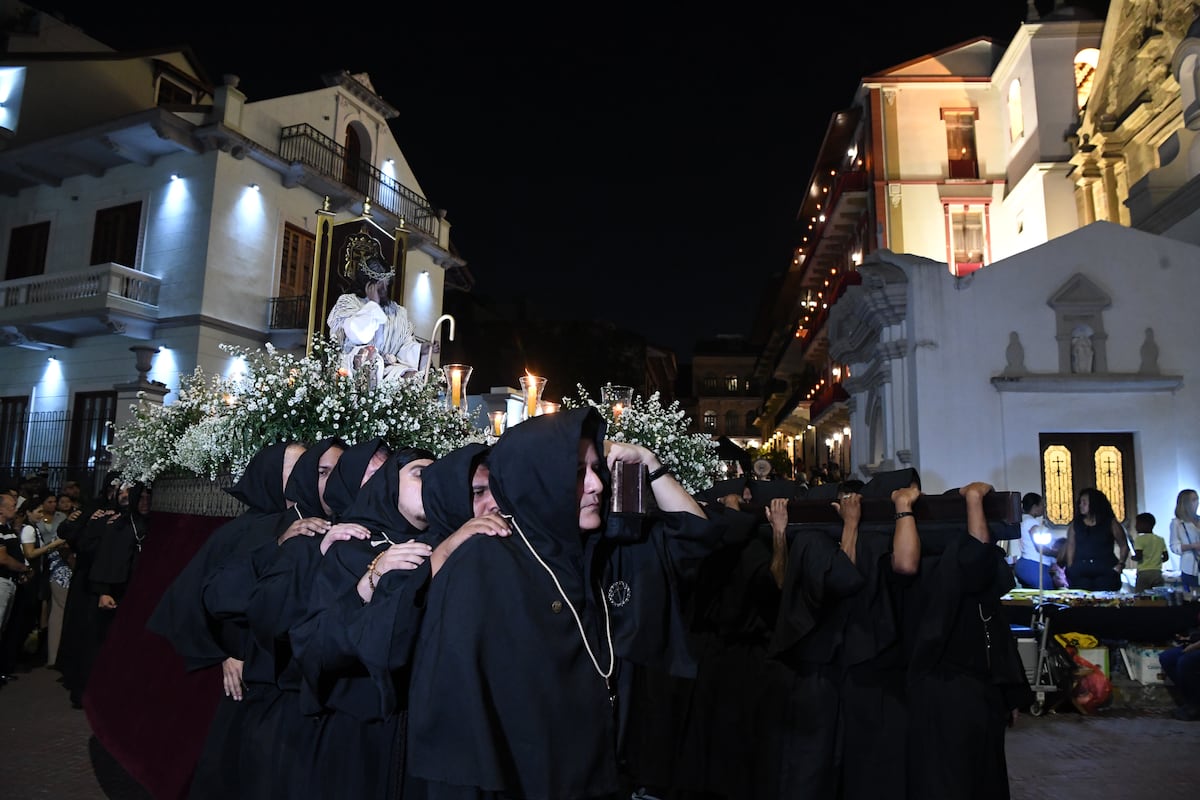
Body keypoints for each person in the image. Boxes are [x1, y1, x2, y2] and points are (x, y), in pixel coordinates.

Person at [404, 406, 721, 799]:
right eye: (576, 474)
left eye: (596, 470)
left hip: (601, 774)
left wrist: (650, 463)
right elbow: (457, 716)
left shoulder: (601, 548)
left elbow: (698, 541)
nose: (596, 486)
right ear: (536, 481)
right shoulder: (485, 563)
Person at [903, 481, 1033, 800]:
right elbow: (975, 561)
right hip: (950, 684)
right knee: (956, 778)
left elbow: (995, 619)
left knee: (979, 774)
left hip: (971, 685)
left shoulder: (939, 560)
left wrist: (1007, 693)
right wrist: (973, 498)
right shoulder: (936, 563)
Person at [326, 248, 426, 384]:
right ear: (368, 285)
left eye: (386, 284)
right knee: (369, 356)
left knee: (411, 376)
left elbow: (405, 344)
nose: (384, 290)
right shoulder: (349, 302)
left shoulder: (397, 312)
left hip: (387, 368)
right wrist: (373, 304)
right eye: (380, 285)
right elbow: (359, 335)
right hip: (354, 367)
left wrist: (420, 349)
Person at [1064, 488, 1129, 592]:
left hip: (1105, 569)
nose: (1081, 505)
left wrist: (1120, 564)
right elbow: (1071, 545)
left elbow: (1124, 545)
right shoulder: (1075, 525)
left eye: (1084, 502)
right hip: (1081, 570)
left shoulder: (1111, 523)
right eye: (1080, 502)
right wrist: (1070, 566)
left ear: (1094, 503)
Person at [1014, 493, 1056, 590]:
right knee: (1047, 599)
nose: (1044, 507)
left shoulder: (1023, 521)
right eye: (1042, 504)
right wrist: (1057, 554)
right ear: (1035, 507)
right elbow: (1040, 547)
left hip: (1024, 564)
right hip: (1035, 566)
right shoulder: (1031, 523)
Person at [1169, 489, 1200, 592]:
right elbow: (1174, 547)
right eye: (1194, 500)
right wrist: (1194, 546)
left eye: (1197, 499)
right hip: (1190, 566)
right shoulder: (1178, 523)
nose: (1197, 502)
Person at [1131, 512, 1168, 592]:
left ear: (1145, 525)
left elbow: (1139, 556)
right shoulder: (1160, 539)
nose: (1135, 526)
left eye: (1137, 524)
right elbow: (1166, 557)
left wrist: (1133, 557)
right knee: (1158, 597)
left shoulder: (1139, 539)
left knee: (1141, 598)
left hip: (1144, 574)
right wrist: (1156, 560)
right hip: (1157, 573)